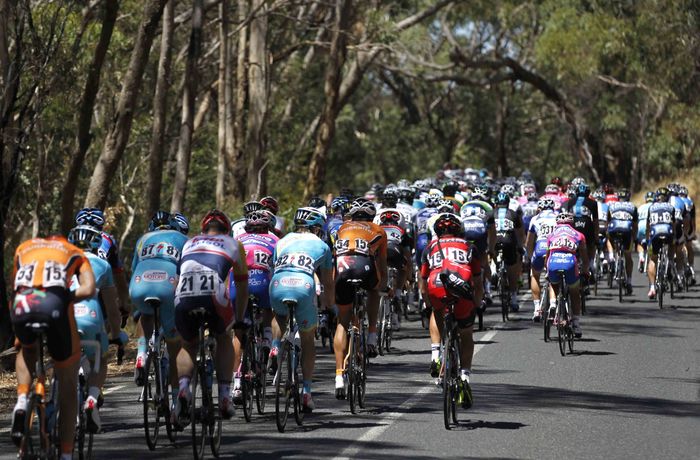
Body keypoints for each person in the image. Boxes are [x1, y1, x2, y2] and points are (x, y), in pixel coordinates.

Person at [10, 234, 96, 460]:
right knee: (68, 382)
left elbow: (16, 287)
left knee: (26, 349)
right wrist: (64, 297)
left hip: (23, 302)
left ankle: (21, 402)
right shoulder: (74, 251)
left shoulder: (24, 247)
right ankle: (66, 454)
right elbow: (88, 289)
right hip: (54, 303)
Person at [172, 210, 249, 426]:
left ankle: (184, 388)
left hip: (184, 294)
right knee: (225, 337)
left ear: (203, 229)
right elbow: (242, 285)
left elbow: (176, 281)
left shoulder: (189, 243)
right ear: (227, 230)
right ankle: (224, 395)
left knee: (187, 344)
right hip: (213, 294)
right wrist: (240, 318)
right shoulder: (234, 243)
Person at [268, 207, 334, 411]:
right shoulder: (322, 245)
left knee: (279, 315)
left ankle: (275, 346)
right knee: (307, 340)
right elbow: (327, 282)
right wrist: (328, 306)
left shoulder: (282, 240)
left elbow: (274, 266)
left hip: (278, 284)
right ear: (316, 228)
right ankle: (306, 392)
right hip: (303, 285)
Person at [419, 213, 482, 408]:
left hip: (436, 285)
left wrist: (427, 301)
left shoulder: (430, 246)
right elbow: (479, 279)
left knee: (436, 312)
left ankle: (436, 355)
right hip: (462, 288)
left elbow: (422, 279)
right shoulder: (469, 246)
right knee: (466, 334)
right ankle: (464, 377)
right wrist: (478, 302)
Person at [68, 225, 126, 433]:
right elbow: (111, 308)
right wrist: (117, 334)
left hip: (64, 316)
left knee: (63, 361)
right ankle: (92, 397)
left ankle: (65, 410)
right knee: (100, 358)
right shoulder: (102, 264)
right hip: (91, 317)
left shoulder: (58, 261)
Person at [130, 210, 188, 414]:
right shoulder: (183, 238)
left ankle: (141, 354)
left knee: (146, 313)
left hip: (139, 285)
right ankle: (174, 402)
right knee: (175, 348)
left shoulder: (142, 239)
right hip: (168, 285)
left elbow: (134, 267)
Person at [333, 198, 388, 398]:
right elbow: (382, 264)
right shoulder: (378, 230)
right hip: (364, 268)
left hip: (342, 269)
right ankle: (372, 334)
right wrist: (385, 286)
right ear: (371, 216)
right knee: (374, 290)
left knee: (342, 321)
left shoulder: (340, 228)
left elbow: (334, 257)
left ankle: (339, 376)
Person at [229, 210, 279, 403]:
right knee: (270, 309)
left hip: (239, 285)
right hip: (263, 282)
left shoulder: (237, 239)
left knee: (239, 334)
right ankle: (267, 339)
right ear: (268, 227)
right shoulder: (274, 239)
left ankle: (237, 384)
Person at [75, 207, 131, 325]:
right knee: (107, 321)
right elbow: (119, 274)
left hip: (73, 280)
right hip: (98, 279)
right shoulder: (108, 238)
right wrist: (123, 302)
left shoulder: (72, 236)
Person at [545, 211, 589, 337]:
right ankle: (576, 324)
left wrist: (547, 270)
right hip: (570, 262)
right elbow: (585, 258)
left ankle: (553, 304)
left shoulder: (551, 235)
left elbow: (547, 257)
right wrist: (585, 270)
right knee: (575, 292)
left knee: (553, 283)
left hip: (554, 262)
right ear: (572, 223)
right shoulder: (579, 235)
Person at [374, 208, 412, 329]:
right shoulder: (401, 230)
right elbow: (408, 256)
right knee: (403, 267)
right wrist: (410, 277)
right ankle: (398, 294)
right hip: (395, 253)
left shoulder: (377, 229)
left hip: (381, 255)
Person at [526, 197, 558, 321]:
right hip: (554, 248)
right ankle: (553, 303)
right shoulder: (558, 216)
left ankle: (536, 309)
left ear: (539, 208)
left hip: (540, 248)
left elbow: (529, 242)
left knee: (534, 275)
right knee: (553, 277)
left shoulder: (535, 219)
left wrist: (529, 257)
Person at [493, 192, 523, 311]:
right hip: (509, 242)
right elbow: (520, 233)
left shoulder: (491, 213)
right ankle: (514, 298)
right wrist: (520, 246)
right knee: (512, 268)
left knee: (490, 252)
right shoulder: (514, 214)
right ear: (508, 204)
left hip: (495, 242)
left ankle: (493, 269)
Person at [645, 188, 676, 299]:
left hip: (655, 233)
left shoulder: (651, 207)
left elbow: (648, 225)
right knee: (672, 244)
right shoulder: (671, 207)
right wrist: (674, 237)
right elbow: (673, 224)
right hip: (667, 231)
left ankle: (652, 288)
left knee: (653, 259)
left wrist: (647, 237)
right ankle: (671, 261)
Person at [607, 188, 637, 295]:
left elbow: (608, 221)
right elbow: (635, 225)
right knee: (628, 256)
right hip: (627, 230)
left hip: (614, 229)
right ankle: (629, 281)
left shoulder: (612, 205)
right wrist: (635, 237)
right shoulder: (632, 206)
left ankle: (611, 256)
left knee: (608, 238)